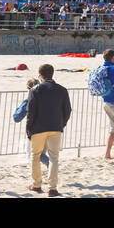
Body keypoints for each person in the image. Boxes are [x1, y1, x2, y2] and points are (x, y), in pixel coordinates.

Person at [26, 63, 71, 195]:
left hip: (38, 127)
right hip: (55, 127)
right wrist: (61, 123)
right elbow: (67, 110)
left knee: (35, 156)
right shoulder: (62, 90)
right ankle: (52, 187)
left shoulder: (35, 90)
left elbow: (31, 112)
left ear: (40, 75)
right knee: (54, 157)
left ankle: (37, 185)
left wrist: (29, 129)